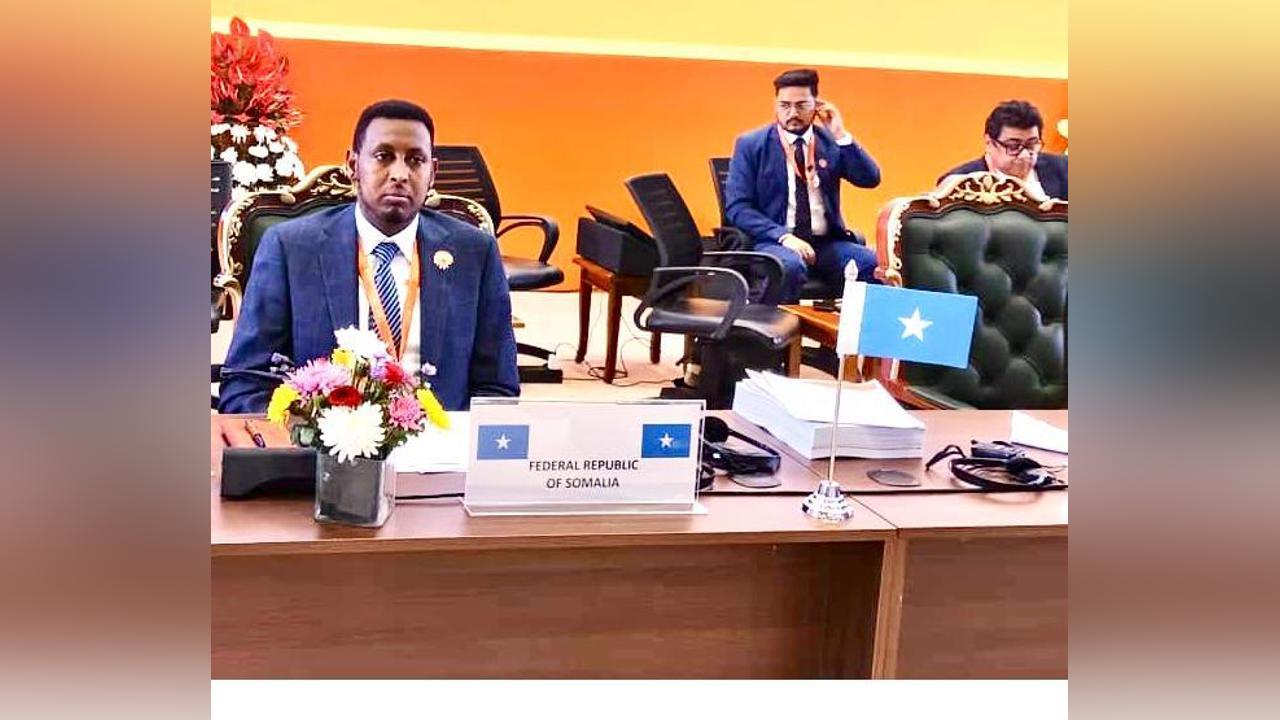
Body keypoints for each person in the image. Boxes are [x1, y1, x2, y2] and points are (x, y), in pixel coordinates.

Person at [218, 99, 519, 414]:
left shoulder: (475, 253)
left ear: (433, 173)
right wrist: (298, 434)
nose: (400, 174)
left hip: (442, 438)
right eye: (383, 156)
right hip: (323, 438)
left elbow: (498, 388)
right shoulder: (291, 248)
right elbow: (246, 382)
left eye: (415, 160)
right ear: (352, 165)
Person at [724, 68, 881, 304]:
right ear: (776, 105)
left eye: (801, 105)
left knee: (872, 265)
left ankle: (848, 328)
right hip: (775, 241)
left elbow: (870, 178)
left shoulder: (829, 142)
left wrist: (841, 135)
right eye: (784, 106)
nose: (792, 113)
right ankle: (773, 327)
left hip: (826, 243)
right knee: (789, 266)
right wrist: (783, 237)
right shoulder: (751, 144)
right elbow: (738, 208)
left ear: (816, 106)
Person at [939, 99, 1068, 200]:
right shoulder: (957, 184)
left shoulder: (1065, 170)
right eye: (1013, 146)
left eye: (1031, 145)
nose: (1024, 155)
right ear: (989, 143)